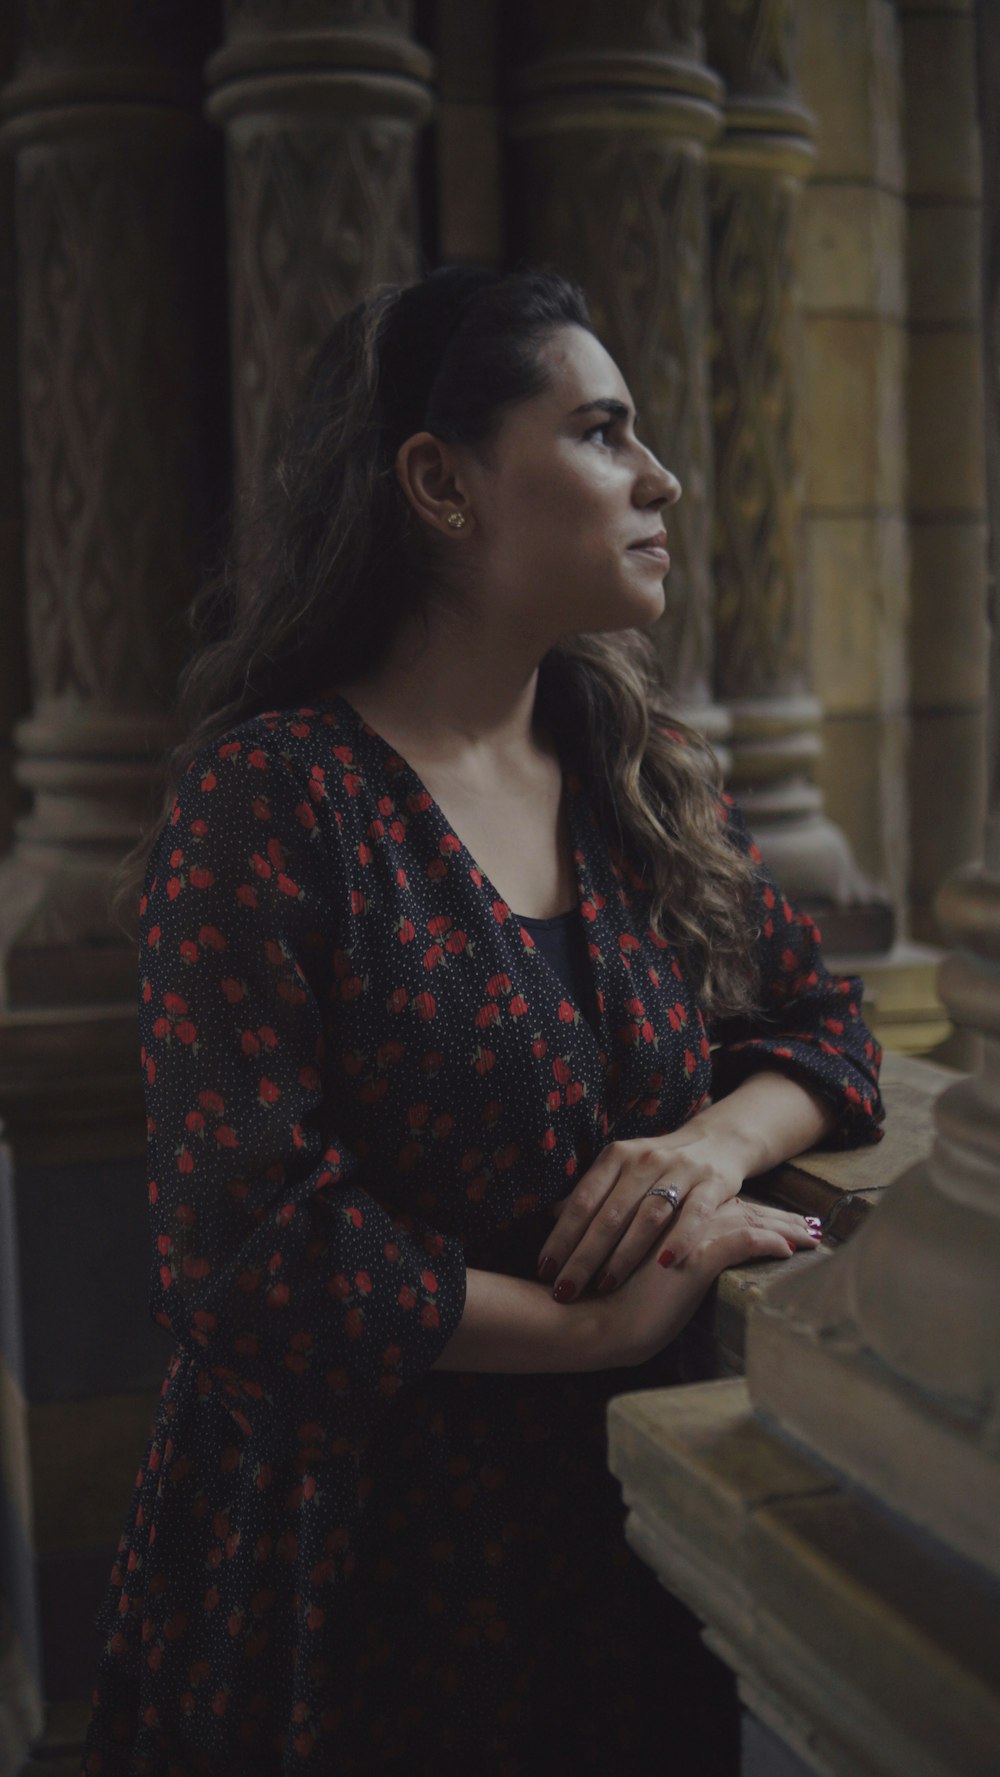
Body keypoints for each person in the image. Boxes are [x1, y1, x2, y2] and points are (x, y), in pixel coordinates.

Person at [80, 264, 884, 1777]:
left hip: (616, 1556)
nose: (665, 475)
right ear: (442, 486)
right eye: (601, 432)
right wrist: (607, 1321)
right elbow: (249, 1252)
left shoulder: (635, 762)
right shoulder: (271, 801)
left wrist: (710, 1146)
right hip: (358, 1571)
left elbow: (826, 1023)